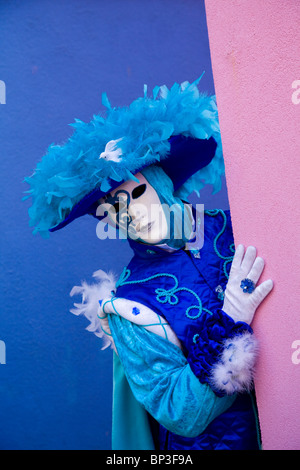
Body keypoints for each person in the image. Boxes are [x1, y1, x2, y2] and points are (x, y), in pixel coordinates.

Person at [25, 78, 273, 450]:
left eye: (136, 193)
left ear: (159, 181)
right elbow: (180, 412)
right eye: (111, 209)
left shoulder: (238, 226)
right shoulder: (131, 304)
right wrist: (230, 324)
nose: (130, 215)